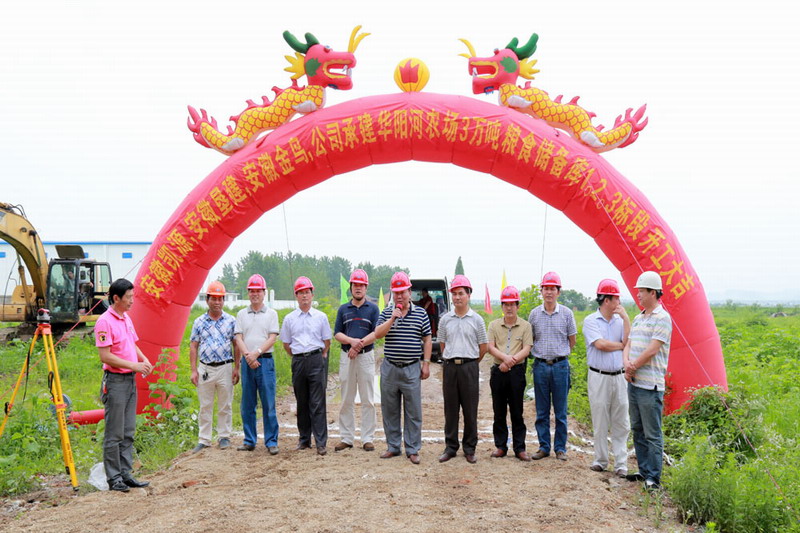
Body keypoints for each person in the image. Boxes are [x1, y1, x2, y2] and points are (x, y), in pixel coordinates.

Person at [94, 278, 153, 492]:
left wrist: (143, 359)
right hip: (116, 381)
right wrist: (133, 365)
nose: (132, 301)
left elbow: (132, 343)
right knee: (114, 432)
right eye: (128, 297)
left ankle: (126, 473)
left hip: (129, 381)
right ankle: (114, 477)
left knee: (128, 430)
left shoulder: (126, 318)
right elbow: (105, 356)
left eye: (132, 296)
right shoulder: (104, 322)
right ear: (116, 298)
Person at [373, 271, 432, 465]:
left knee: (413, 411)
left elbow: (427, 339)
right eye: (396, 292)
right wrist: (392, 319)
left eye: (403, 292)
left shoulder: (421, 313)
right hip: (390, 368)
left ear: (410, 292)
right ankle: (393, 446)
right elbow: (378, 334)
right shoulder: (386, 313)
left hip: (411, 368)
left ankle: (412, 449)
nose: (399, 296)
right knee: (390, 409)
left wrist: (426, 363)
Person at [624, 271, 672, 491]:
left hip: (650, 386)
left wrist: (633, 366)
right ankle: (643, 471)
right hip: (634, 383)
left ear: (653, 292)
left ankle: (653, 477)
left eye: (641, 291)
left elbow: (652, 349)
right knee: (637, 428)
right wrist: (626, 363)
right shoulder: (638, 318)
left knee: (652, 433)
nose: (639, 295)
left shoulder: (662, 318)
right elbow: (629, 344)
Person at [437, 275, 488, 464]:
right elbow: (443, 344)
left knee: (470, 409)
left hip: (469, 367)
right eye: (454, 294)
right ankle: (450, 447)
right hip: (450, 367)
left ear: (468, 295)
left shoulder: (477, 320)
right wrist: (452, 358)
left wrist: (471, 362)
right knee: (450, 410)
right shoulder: (445, 320)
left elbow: (483, 347)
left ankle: (469, 448)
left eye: (461, 293)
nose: (457, 297)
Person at [583, 279, 631, 476]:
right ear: (606, 300)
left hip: (620, 376)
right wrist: (620, 345)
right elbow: (600, 344)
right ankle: (601, 460)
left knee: (621, 421)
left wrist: (626, 319)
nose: (619, 302)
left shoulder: (620, 321)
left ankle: (621, 464)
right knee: (600, 419)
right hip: (599, 376)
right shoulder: (591, 321)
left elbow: (629, 342)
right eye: (616, 298)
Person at [528, 271, 577, 461]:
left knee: (560, 411)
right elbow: (531, 339)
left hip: (560, 366)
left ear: (558, 292)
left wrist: (560, 354)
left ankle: (560, 448)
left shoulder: (566, 314)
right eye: (546, 288)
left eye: (552, 289)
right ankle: (544, 447)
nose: (549, 292)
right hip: (540, 366)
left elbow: (571, 340)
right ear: (541, 291)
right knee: (541, 410)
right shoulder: (534, 314)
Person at [281, 276, 332, 455]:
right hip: (298, 361)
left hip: (316, 359)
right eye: (301, 292)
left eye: (307, 292)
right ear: (296, 295)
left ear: (312, 294)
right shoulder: (289, 319)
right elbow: (286, 344)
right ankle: (304, 440)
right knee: (301, 401)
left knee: (317, 402)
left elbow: (327, 341)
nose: (304, 296)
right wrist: (298, 356)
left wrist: (319, 355)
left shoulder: (321, 317)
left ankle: (321, 442)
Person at [189, 281, 239, 453]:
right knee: (205, 405)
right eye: (214, 299)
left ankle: (224, 436)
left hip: (225, 366)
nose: (217, 302)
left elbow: (236, 345)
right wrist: (193, 370)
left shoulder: (231, 321)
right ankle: (204, 439)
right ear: (207, 300)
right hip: (205, 368)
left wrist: (237, 368)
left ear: (223, 300)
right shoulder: (199, 322)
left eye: (220, 299)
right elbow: (193, 346)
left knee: (225, 404)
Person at [333, 269, 379, 452]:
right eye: (355, 285)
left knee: (368, 398)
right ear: (351, 287)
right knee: (346, 398)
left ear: (366, 288)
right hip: (347, 357)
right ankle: (346, 438)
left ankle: (367, 438)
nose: (358, 288)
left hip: (366, 356)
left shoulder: (373, 309)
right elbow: (337, 333)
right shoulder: (343, 309)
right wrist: (351, 342)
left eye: (361, 285)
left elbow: (376, 333)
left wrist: (358, 345)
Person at [234, 274, 280, 454]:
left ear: (264, 292)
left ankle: (271, 441)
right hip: (247, 362)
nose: (255, 294)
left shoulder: (271, 314)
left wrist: (256, 353)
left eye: (258, 291)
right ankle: (249, 440)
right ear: (248, 293)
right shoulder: (241, 314)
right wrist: (248, 355)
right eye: (252, 291)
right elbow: (238, 337)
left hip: (265, 362)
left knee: (268, 403)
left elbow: (272, 338)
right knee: (247, 404)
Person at [487, 285, 534, 461]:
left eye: (512, 304)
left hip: (516, 373)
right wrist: (505, 359)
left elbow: (527, 349)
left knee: (517, 411)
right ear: (502, 306)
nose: (509, 308)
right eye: (506, 304)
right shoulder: (493, 325)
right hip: (498, 372)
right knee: (499, 411)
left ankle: (519, 448)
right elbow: (490, 347)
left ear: (517, 306)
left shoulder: (525, 326)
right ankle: (500, 446)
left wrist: (510, 361)